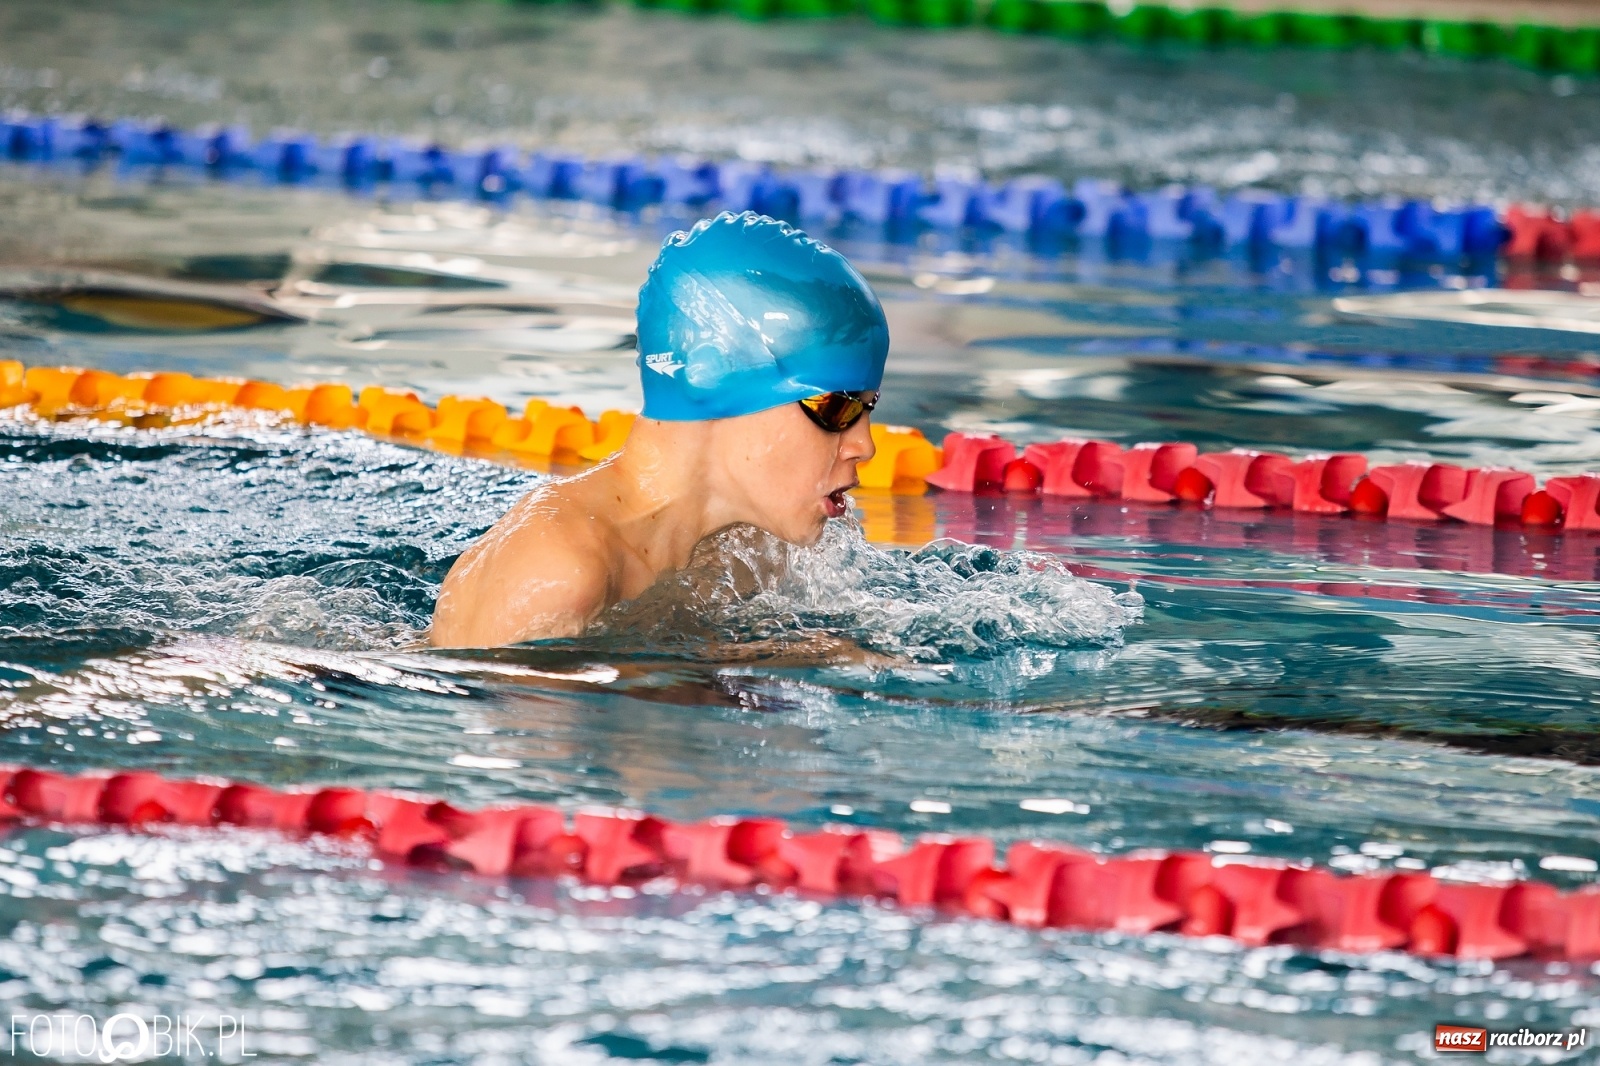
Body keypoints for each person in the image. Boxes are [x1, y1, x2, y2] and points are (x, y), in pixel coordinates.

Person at [429, 211, 888, 649]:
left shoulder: (753, 548)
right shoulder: (560, 570)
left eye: (869, 409)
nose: (864, 446)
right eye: (836, 408)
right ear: (712, 374)